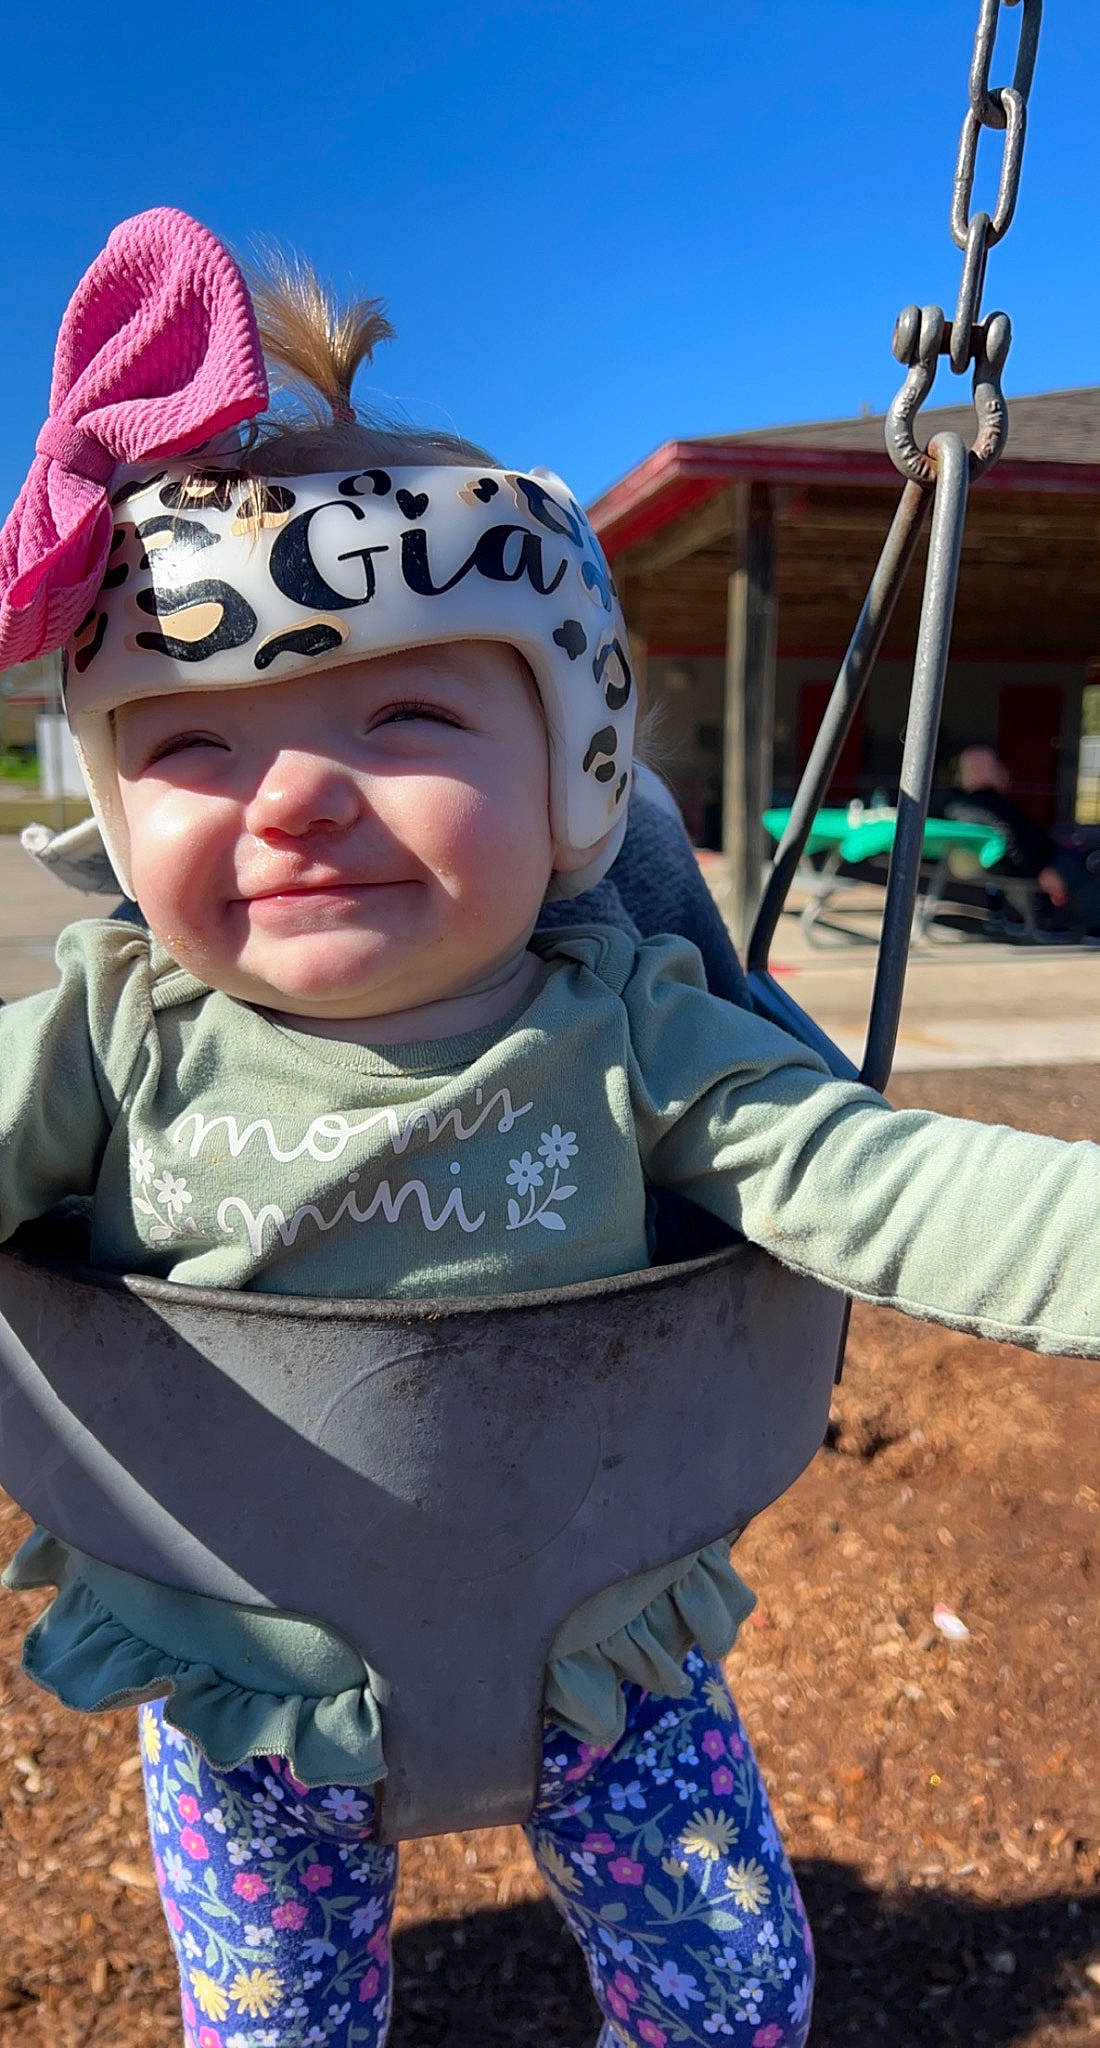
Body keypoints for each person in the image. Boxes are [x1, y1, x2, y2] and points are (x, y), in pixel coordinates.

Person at [0, 209, 1097, 2048]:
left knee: (734, 1991)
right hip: (246, 1670)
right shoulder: (104, 1040)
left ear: (575, 777)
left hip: (604, 1645)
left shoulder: (629, 1026)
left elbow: (887, 1179)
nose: (293, 801)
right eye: (189, 741)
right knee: (272, 2022)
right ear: (108, 801)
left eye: (408, 710)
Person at [944, 743, 1100, 938]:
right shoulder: (989, 805)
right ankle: (1092, 930)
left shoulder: (958, 804)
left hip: (1019, 862)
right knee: (1083, 871)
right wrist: (1040, 870)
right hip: (1035, 864)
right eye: (994, 765)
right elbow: (1012, 842)